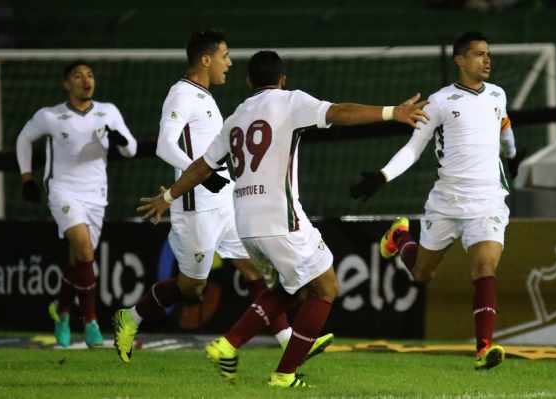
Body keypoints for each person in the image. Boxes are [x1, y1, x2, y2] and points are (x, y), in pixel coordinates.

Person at [137, 50, 428, 387]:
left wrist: (168, 196)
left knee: (291, 286)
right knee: (326, 287)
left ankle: (229, 343)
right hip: (280, 219)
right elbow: (340, 112)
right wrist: (394, 112)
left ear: (249, 82)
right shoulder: (290, 101)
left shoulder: (234, 118)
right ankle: (284, 374)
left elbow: (201, 166)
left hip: (244, 224)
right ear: (282, 79)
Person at [112, 31, 331, 363]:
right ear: (205, 59)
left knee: (256, 272)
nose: (228, 63)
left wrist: (219, 179)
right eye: (224, 55)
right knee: (191, 289)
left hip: (225, 201)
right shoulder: (181, 95)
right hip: (195, 206)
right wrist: (199, 177)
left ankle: (290, 342)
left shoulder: (207, 97)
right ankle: (131, 317)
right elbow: (164, 146)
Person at [350, 31, 517, 370]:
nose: (487, 60)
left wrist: (512, 152)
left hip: (487, 201)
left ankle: (484, 347)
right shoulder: (440, 101)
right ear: (460, 60)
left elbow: (504, 127)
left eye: (489, 54)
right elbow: (414, 148)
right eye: (479, 54)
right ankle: (400, 239)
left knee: (485, 267)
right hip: (446, 202)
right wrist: (383, 175)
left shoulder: (498, 94)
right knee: (422, 274)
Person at [16, 60, 138, 347]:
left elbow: (131, 149)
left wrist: (121, 141)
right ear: (66, 84)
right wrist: (26, 178)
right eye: (78, 76)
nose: (86, 80)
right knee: (84, 250)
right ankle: (91, 321)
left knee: (78, 261)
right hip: (63, 191)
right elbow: (24, 138)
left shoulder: (109, 111)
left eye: (90, 75)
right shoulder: (51, 116)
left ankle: (61, 311)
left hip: (96, 194)